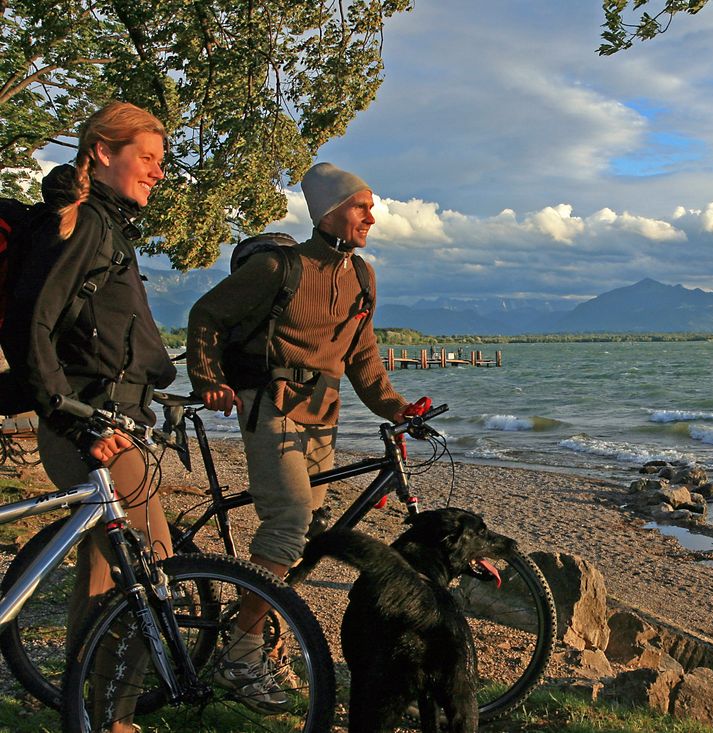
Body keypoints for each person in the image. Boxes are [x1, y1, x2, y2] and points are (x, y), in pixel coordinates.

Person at [187, 161, 416, 708]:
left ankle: (264, 632)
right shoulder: (277, 268)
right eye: (363, 206)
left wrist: (397, 408)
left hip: (323, 417)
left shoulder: (362, 276)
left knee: (308, 530)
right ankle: (239, 658)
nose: (372, 216)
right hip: (271, 407)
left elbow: (362, 357)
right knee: (288, 523)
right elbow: (206, 314)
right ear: (332, 211)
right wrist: (209, 379)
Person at [9, 101, 176, 733]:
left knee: (105, 574)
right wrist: (73, 419)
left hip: (106, 417)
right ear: (103, 153)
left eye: (162, 161)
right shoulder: (87, 227)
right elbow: (31, 322)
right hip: (91, 424)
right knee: (151, 564)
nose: (158, 173)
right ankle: (115, 718)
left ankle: (87, 713)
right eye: (147, 158)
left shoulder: (104, 226)